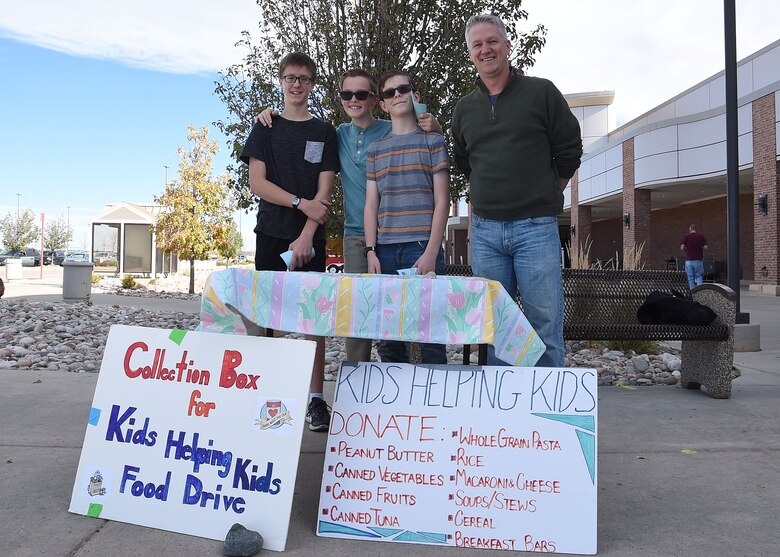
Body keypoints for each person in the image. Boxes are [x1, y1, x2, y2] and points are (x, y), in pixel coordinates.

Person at [256, 69, 442, 363]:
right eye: (347, 94)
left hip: (396, 233)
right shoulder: (337, 134)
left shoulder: (391, 128)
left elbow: (423, 130)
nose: (354, 100)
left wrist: (436, 125)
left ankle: (415, 376)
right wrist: (271, 114)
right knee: (359, 312)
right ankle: (359, 378)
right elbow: (300, 126)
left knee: (410, 312)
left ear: (375, 100)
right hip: (357, 233)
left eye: (361, 94)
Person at [451, 14, 583, 368]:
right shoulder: (464, 109)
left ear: (508, 46)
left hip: (535, 227)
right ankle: (502, 402)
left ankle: (548, 400)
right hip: (485, 232)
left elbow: (569, 148)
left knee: (545, 323)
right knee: (498, 326)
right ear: (470, 53)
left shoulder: (541, 93)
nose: (486, 49)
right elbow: (465, 160)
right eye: (477, 44)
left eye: (492, 41)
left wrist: (548, 189)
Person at [239, 52, 339, 431]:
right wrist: (299, 203)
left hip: (310, 238)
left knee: (314, 319)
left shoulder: (324, 132)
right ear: (280, 80)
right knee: (268, 318)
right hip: (270, 233)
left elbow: (324, 191)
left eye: (304, 78)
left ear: (312, 84)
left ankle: (315, 400)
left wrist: (307, 234)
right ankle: (270, 398)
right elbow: (257, 183)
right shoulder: (265, 127)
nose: (296, 84)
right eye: (290, 77)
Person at [364, 69, 450, 365]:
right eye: (390, 92)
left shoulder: (433, 142)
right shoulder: (375, 150)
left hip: (422, 247)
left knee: (431, 335)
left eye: (403, 89)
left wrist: (431, 252)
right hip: (385, 250)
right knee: (389, 337)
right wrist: (371, 250)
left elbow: (442, 201)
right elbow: (371, 205)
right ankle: (394, 392)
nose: (397, 95)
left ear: (415, 95)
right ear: (383, 104)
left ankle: (435, 393)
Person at [680, 223, 708, 289]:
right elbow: (706, 247)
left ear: (690, 228)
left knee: (690, 277)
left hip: (689, 260)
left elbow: (682, 247)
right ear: (695, 229)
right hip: (698, 259)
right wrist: (700, 248)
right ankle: (699, 291)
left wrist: (686, 250)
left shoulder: (686, 236)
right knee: (699, 276)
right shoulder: (701, 236)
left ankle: (692, 292)